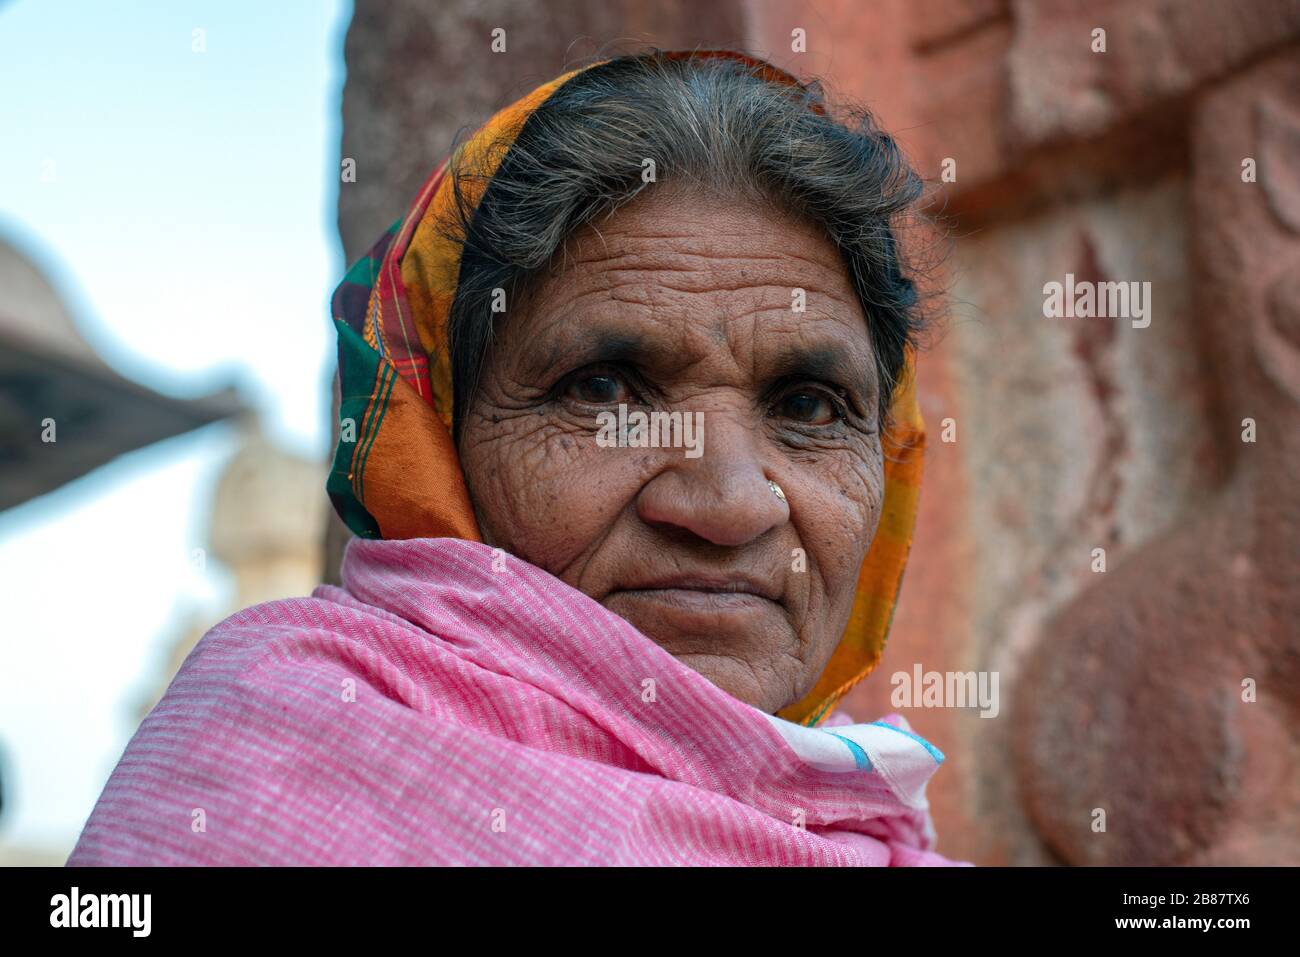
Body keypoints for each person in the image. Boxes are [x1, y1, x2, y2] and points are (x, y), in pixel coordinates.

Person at [70, 49, 964, 866]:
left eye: (808, 406)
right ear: (438, 448)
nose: (731, 504)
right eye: (606, 390)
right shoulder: (263, 762)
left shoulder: (874, 835)